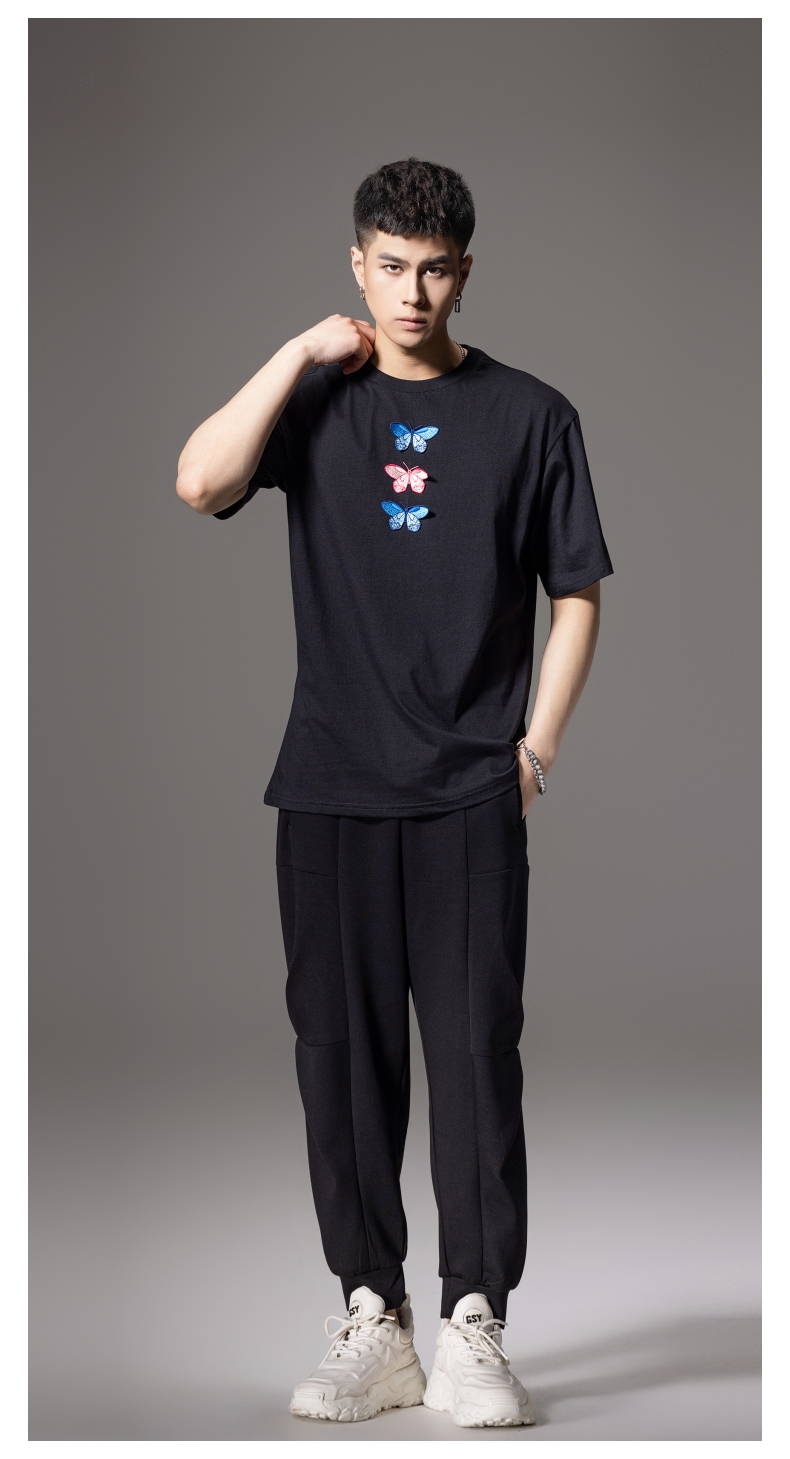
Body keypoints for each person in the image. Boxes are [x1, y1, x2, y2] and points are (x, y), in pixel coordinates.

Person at [176, 157, 612, 1429]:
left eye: (433, 269)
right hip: (328, 786)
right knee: (340, 1060)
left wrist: (534, 749)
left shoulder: (531, 414)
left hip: (470, 790)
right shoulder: (315, 401)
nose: (411, 292)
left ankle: (475, 1320)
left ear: (462, 272)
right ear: (356, 266)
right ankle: (375, 1316)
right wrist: (294, 354)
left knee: (475, 1057)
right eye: (388, 267)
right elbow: (200, 481)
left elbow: (576, 591)